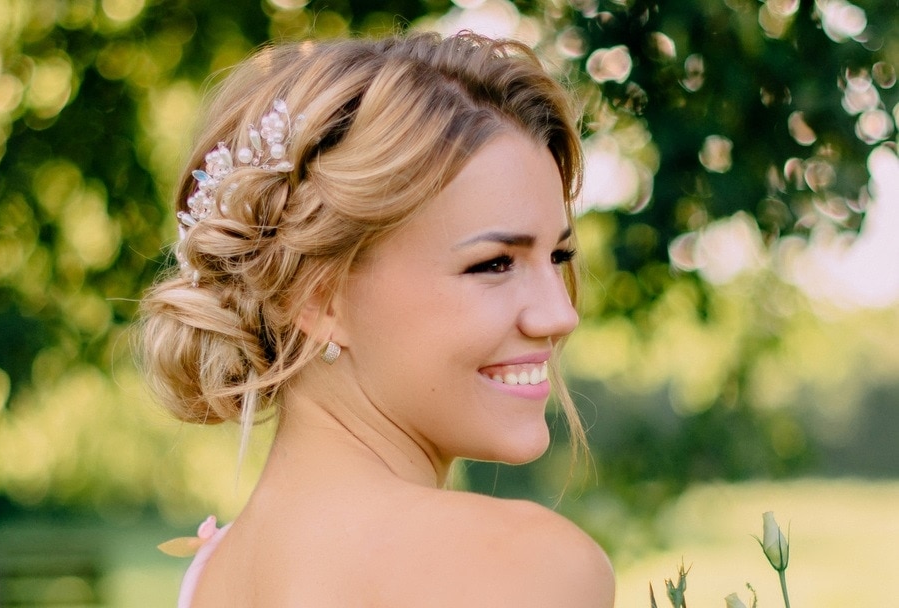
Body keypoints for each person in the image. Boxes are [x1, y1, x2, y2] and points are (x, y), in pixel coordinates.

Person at [141, 31, 615, 607]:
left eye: (558, 256)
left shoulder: (216, 574)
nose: (560, 314)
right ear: (317, 298)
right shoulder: (524, 564)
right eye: (493, 263)